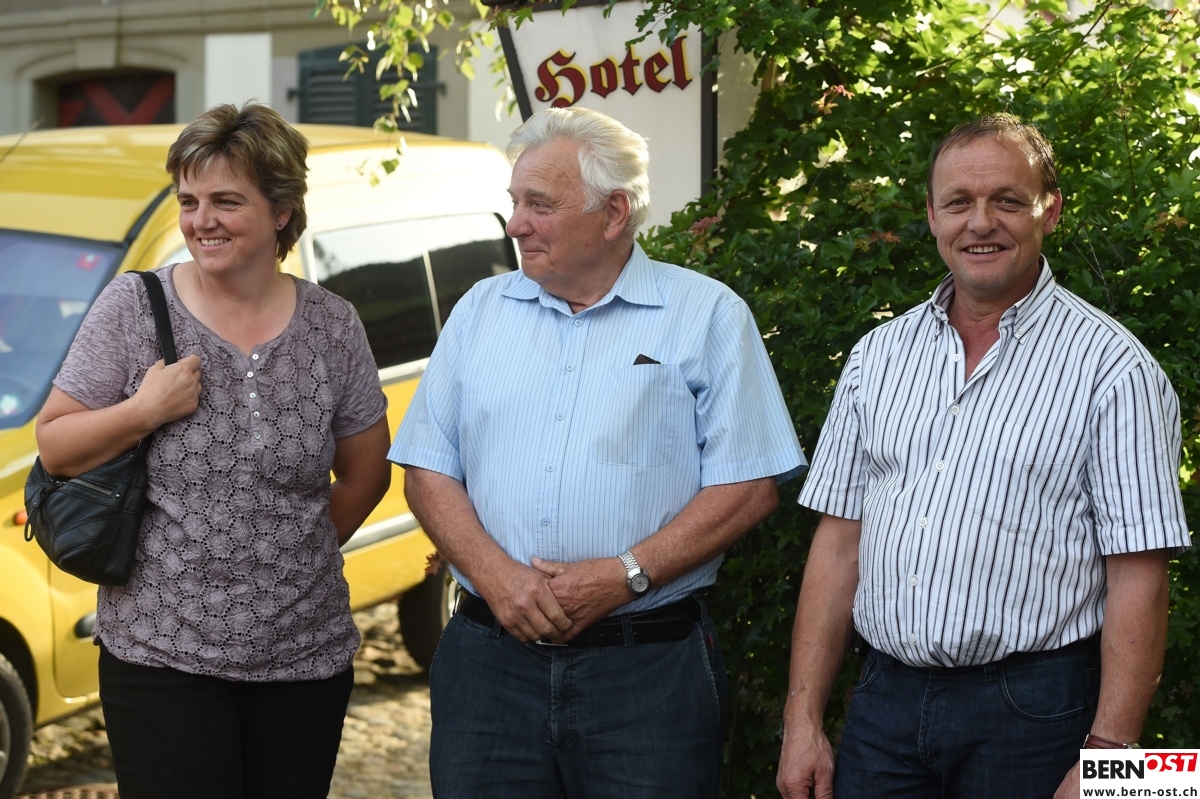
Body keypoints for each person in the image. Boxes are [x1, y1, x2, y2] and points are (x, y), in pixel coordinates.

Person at [388, 105, 806, 797]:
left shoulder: (706, 315)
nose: (516, 223)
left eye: (539, 205)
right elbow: (427, 467)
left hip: (647, 671)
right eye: (515, 202)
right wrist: (496, 576)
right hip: (490, 665)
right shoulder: (480, 311)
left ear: (613, 213)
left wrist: (625, 574)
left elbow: (749, 486)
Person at [776, 112, 1190, 799]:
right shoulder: (877, 357)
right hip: (883, 704)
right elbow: (839, 544)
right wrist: (801, 720)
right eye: (959, 202)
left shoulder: (1115, 370)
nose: (980, 223)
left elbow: (1139, 571)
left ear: (1049, 210)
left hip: (1036, 711)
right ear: (931, 216)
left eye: (1006, 200)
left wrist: (1109, 758)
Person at [34, 102, 391, 799]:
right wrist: (143, 412)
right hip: (161, 653)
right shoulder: (133, 309)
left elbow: (366, 471)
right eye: (189, 201)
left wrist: (288, 558)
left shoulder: (332, 325)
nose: (202, 221)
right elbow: (56, 447)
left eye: (226, 201)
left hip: (304, 656)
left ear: (282, 210)